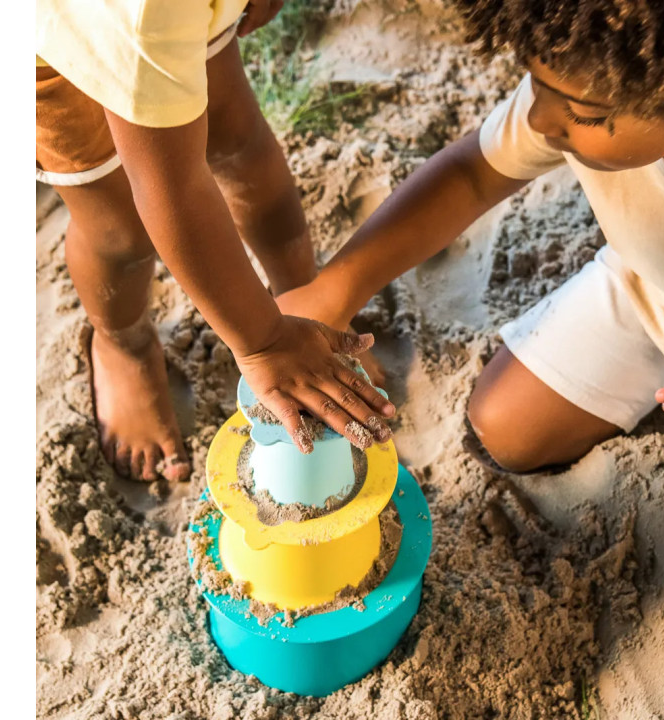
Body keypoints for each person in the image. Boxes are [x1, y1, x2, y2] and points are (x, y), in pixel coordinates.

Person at [276, 0, 664, 620]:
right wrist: (334, 291)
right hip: (653, 292)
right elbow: (472, 176)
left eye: (581, 113)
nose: (540, 119)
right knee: (505, 423)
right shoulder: (586, 74)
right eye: (536, 84)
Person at [36, 0, 396, 483]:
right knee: (119, 224)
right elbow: (172, 187)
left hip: (169, 16)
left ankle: (300, 292)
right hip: (56, 41)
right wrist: (264, 343)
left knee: (238, 140)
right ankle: (123, 342)